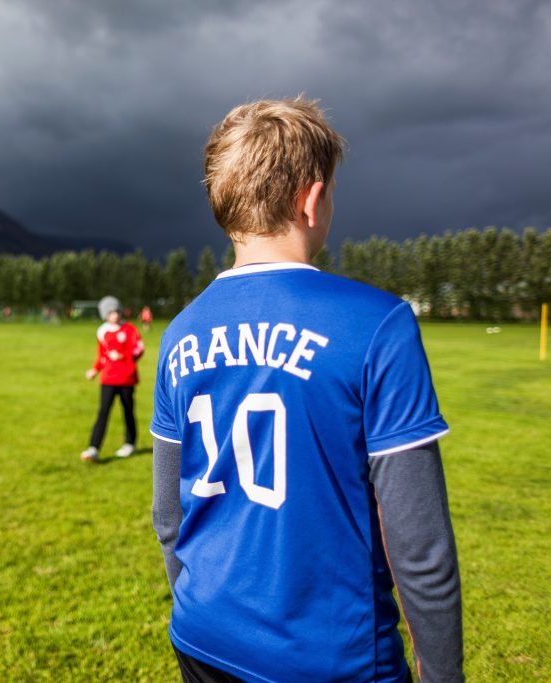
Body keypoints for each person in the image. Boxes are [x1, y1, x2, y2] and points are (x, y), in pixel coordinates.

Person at [149, 98, 462, 682]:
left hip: (200, 638)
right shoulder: (377, 324)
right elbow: (418, 545)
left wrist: (203, 604)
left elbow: (169, 515)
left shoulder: (180, 332)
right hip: (331, 659)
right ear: (312, 199)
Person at [81, 296, 145, 461]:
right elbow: (102, 355)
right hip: (108, 379)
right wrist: (95, 370)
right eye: (110, 313)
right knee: (103, 412)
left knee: (128, 411)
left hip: (126, 379)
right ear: (105, 315)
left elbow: (139, 349)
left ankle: (130, 443)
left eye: (116, 311)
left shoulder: (129, 329)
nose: (115, 315)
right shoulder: (102, 331)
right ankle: (93, 448)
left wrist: (123, 356)